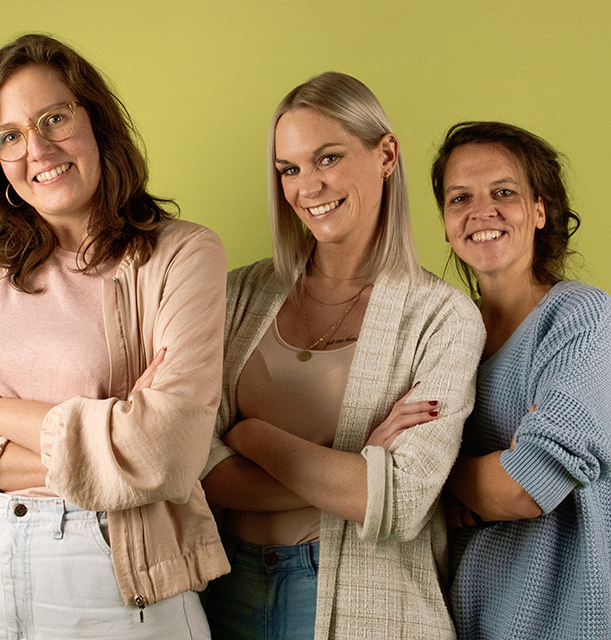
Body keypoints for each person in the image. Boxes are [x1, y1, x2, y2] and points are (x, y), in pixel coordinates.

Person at [0, 34, 228, 639]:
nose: (38, 148)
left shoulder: (182, 255)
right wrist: (108, 433)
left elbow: (165, 453)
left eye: (54, 118)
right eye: (10, 136)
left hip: (116, 574)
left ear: (94, 120)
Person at [196, 72, 485, 640]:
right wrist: (351, 461)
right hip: (225, 584)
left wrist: (253, 437)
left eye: (327, 158)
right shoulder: (235, 296)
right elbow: (191, 468)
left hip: (361, 597)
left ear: (386, 154)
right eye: (290, 169)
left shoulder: (442, 317)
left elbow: (400, 501)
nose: (308, 186)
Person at [430, 121, 611, 639]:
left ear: (540, 211)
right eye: (461, 197)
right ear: (445, 222)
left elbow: (525, 486)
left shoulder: (580, 318)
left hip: (565, 623)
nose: (483, 211)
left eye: (504, 192)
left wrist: (431, 470)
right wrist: (484, 472)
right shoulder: (443, 330)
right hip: (457, 620)